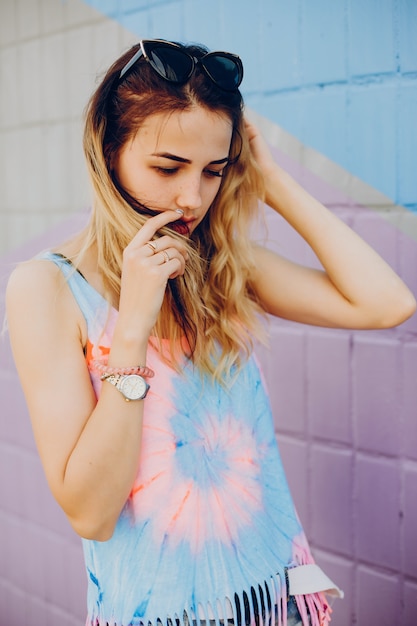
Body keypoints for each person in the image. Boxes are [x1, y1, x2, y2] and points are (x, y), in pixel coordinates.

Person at [6, 39, 416, 626]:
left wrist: (270, 181)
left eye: (214, 171)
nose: (191, 197)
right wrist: (132, 330)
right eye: (168, 167)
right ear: (107, 150)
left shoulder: (221, 264)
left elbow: (387, 303)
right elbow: (91, 515)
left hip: (276, 601)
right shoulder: (46, 288)